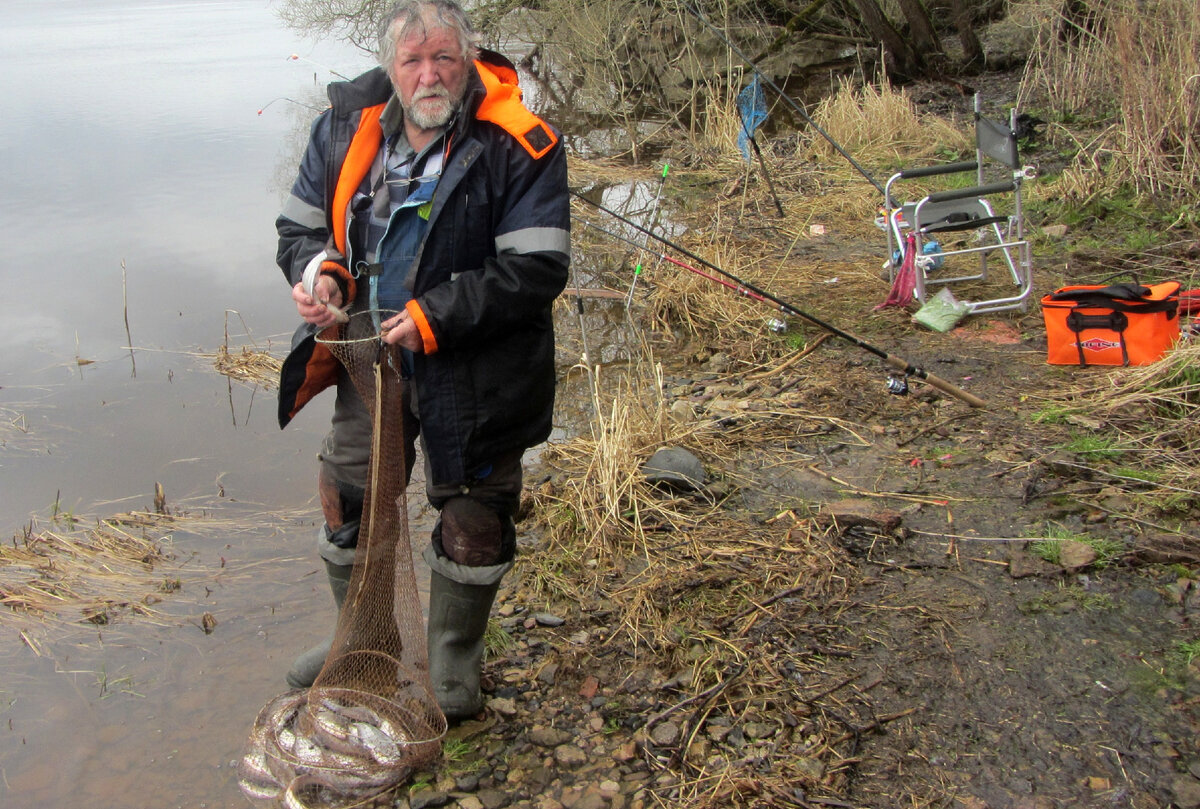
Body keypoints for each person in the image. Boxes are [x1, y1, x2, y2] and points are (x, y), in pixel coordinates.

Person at [273, 0, 570, 720]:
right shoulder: (343, 127)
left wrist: (436, 314)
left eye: (443, 57)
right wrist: (321, 274)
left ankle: (453, 664)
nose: (429, 74)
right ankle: (361, 639)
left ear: (466, 60)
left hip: (478, 359)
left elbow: (538, 268)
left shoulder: (522, 144)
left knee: (475, 516)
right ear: (391, 68)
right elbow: (301, 226)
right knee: (347, 491)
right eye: (412, 61)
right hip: (368, 342)